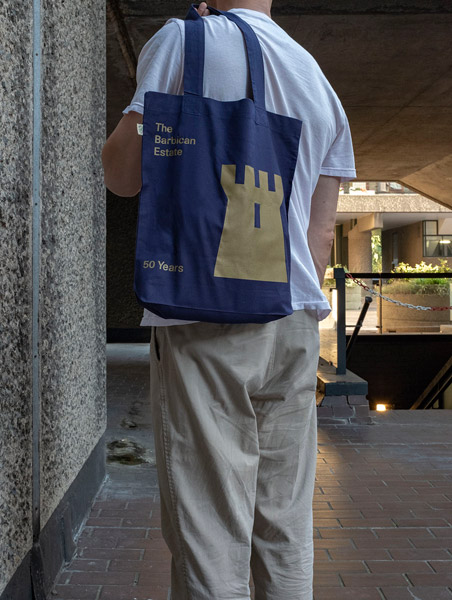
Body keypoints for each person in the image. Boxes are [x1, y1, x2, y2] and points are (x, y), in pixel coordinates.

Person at [102, 1, 355, 598]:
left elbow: (122, 175)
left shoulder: (183, 42)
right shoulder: (316, 78)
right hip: (294, 323)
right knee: (285, 525)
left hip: (206, 317)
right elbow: (320, 234)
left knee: (211, 533)